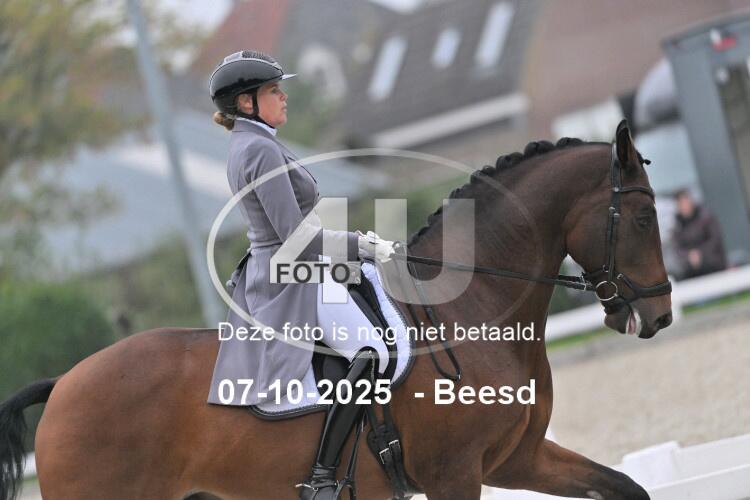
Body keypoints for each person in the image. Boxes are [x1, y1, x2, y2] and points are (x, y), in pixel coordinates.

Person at [206, 50, 394, 499]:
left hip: (292, 265)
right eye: (274, 90)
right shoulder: (258, 149)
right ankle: (322, 476)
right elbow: (295, 238)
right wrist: (360, 244)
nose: (284, 96)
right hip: (290, 275)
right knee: (370, 350)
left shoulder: (254, 142)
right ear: (247, 102)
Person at [672, 189, 727, 279]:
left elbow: (715, 240)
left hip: (713, 265)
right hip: (691, 270)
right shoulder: (677, 227)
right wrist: (689, 256)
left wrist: (700, 253)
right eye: (681, 203)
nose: (684, 206)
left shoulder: (706, 217)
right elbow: (677, 249)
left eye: (685, 201)